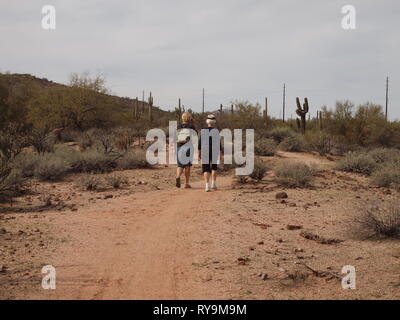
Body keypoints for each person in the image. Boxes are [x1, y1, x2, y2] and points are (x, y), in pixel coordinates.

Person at [198, 114, 223, 192]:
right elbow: (219, 143)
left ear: (207, 121)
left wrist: (199, 152)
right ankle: (213, 184)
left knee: (206, 168)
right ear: (214, 122)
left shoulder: (202, 131)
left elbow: (199, 143)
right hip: (214, 150)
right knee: (214, 167)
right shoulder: (216, 131)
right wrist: (221, 152)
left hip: (205, 150)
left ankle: (207, 186)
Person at [176, 112, 196, 189]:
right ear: (189, 118)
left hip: (179, 147)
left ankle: (178, 176)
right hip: (188, 148)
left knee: (180, 165)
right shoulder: (191, 126)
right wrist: (193, 124)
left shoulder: (178, 126)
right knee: (187, 166)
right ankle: (186, 183)